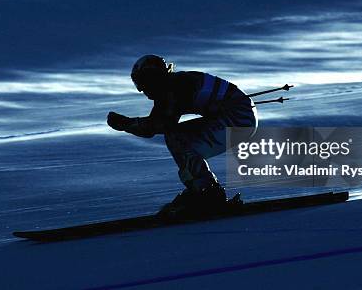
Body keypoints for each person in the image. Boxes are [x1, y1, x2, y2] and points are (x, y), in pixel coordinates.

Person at [107, 54, 258, 216]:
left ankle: (207, 192)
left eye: (142, 82)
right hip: (240, 116)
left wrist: (126, 123)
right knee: (178, 136)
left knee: (177, 137)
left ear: (153, 77)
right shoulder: (173, 84)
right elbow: (157, 123)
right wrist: (129, 124)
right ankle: (203, 189)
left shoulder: (172, 88)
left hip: (239, 119)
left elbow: (158, 125)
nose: (142, 90)